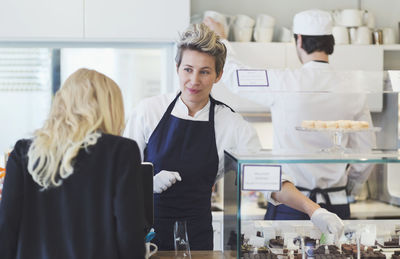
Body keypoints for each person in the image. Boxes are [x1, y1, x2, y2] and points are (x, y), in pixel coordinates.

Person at [124, 23, 344, 251]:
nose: (194, 80)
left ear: (218, 75)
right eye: (188, 69)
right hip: (147, 240)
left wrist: (314, 210)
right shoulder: (147, 112)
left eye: (205, 72)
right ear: (177, 67)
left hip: (198, 240)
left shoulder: (231, 125)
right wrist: (147, 183)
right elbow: (120, 177)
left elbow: (270, 179)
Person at [204, 9, 376, 220]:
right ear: (331, 41)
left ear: (299, 40)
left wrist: (220, 39)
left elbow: (236, 77)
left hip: (290, 203)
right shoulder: (354, 87)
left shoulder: (284, 82)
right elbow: (366, 153)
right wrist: (349, 188)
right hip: (336, 205)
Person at [0, 68, 146, 259]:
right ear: (110, 108)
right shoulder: (121, 151)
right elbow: (130, 234)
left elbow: (6, 230)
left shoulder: (24, 152)